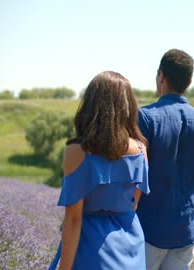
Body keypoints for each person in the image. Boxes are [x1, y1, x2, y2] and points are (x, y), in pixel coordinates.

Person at [48, 71, 149, 270]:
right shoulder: (140, 149)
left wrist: (64, 268)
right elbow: (133, 204)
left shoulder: (76, 152)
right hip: (131, 249)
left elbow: (74, 218)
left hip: (90, 249)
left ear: (90, 105)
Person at [137, 49, 194, 270]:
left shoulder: (144, 118)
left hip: (146, 231)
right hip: (185, 235)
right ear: (189, 82)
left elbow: (131, 175)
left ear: (160, 76)